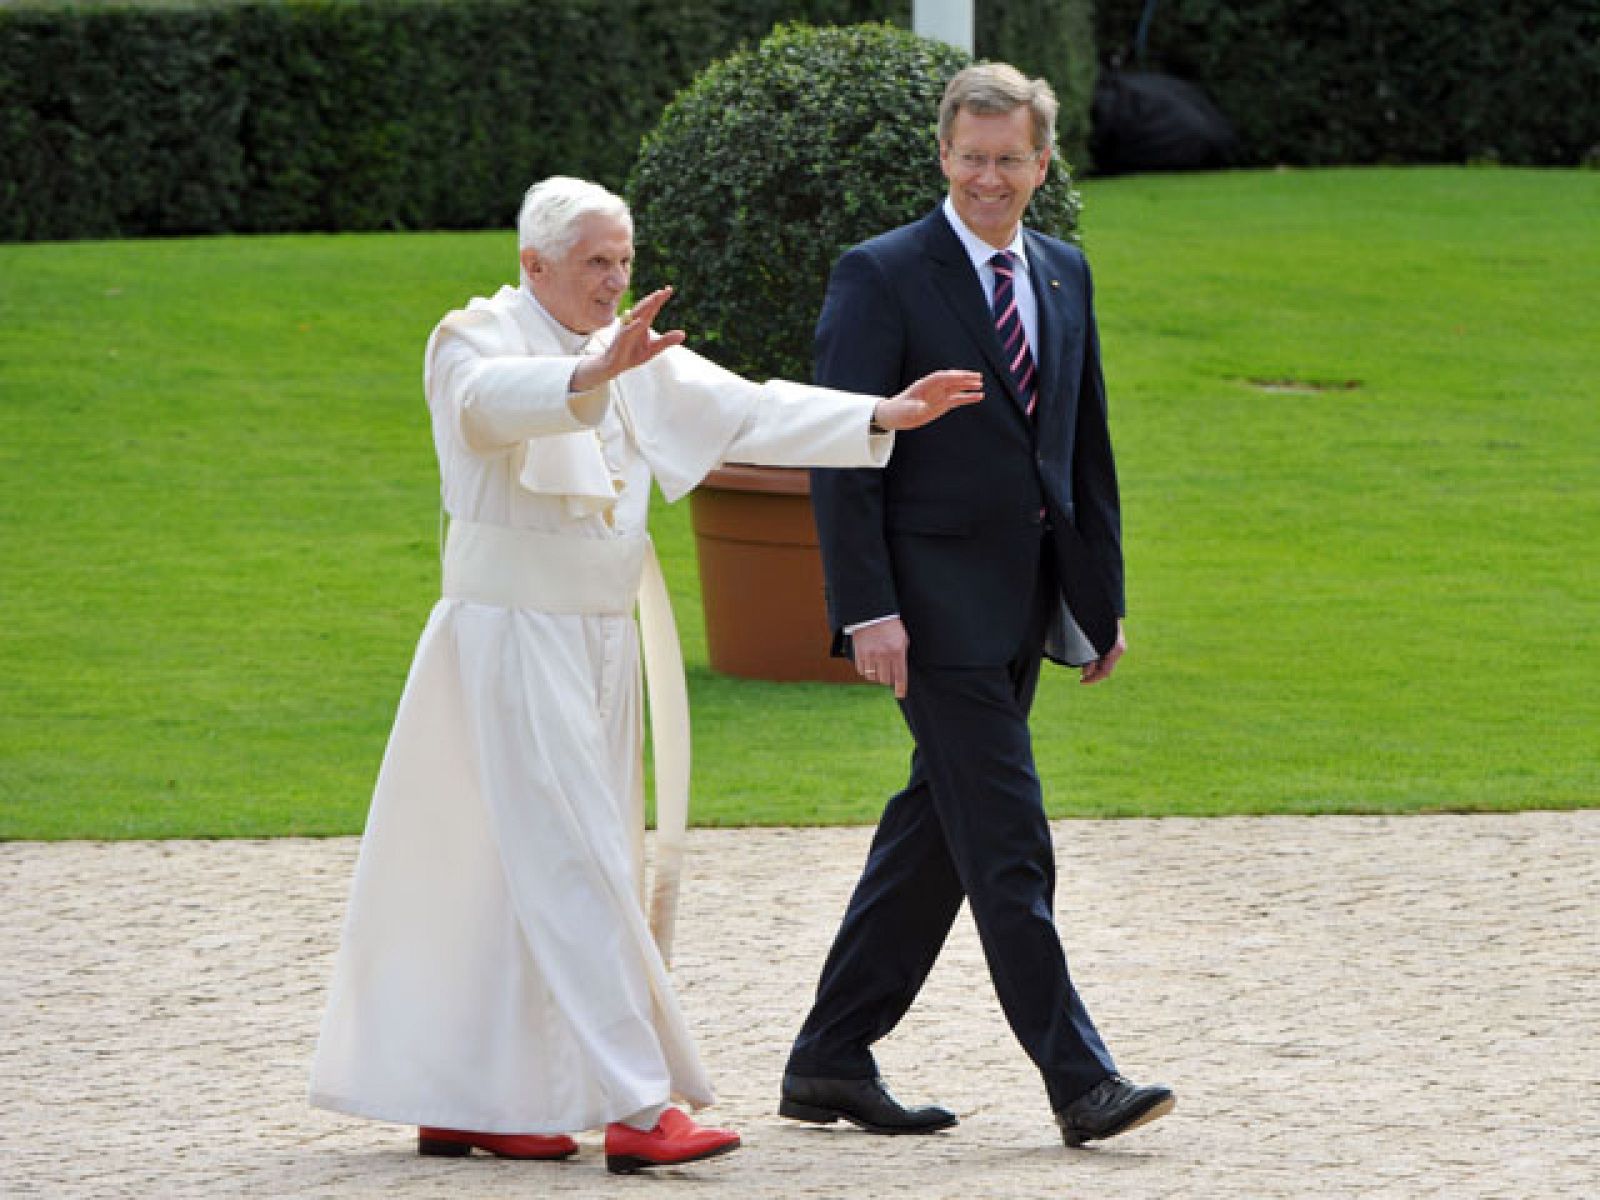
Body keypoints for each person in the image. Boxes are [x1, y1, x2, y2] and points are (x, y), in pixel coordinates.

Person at [308, 176, 981, 1174]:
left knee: (523, 869)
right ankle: (633, 1104)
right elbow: (489, 406)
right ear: (533, 265)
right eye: (594, 262)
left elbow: (743, 415)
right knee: (573, 861)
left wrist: (880, 412)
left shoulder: (634, 348)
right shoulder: (472, 336)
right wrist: (588, 377)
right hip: (511, 636)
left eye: (622, 260)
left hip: (600, 640)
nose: (614, 279)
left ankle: (474, 1098)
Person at [780, 64, 1175, 1149]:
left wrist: (1099, 600)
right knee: (1008, 842)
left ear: (1040, 165)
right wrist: (865, 608)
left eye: (1009, 159)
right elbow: (838, 450)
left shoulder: (1065, 272)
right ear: (942, 156)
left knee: (936, 839)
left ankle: (827, 1059)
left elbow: (1079, 451)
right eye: (971, 156)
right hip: (927, 611)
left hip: (1025, 605)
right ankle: (1079, 1081)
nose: (988, 177)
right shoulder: (881, 274)